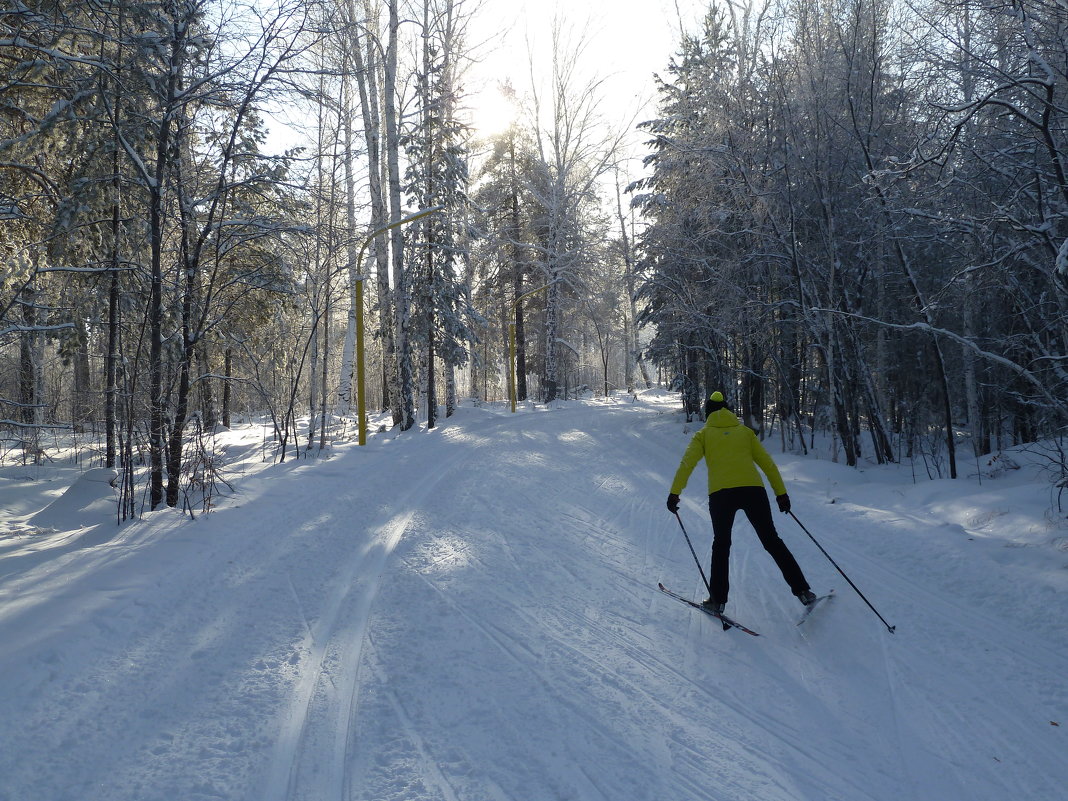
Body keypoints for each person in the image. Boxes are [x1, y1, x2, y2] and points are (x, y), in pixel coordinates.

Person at [666, 391, 816, 614]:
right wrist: (781, 494)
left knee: (722, 545)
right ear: (726, 409)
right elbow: (768, 465)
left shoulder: (703, 435)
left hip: (721, 495)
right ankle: (803, 591)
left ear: (708, 412)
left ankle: (717, 601)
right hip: (753, 491)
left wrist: (674, 494)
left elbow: (686, 465)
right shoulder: (745, 433)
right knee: (772, 540)